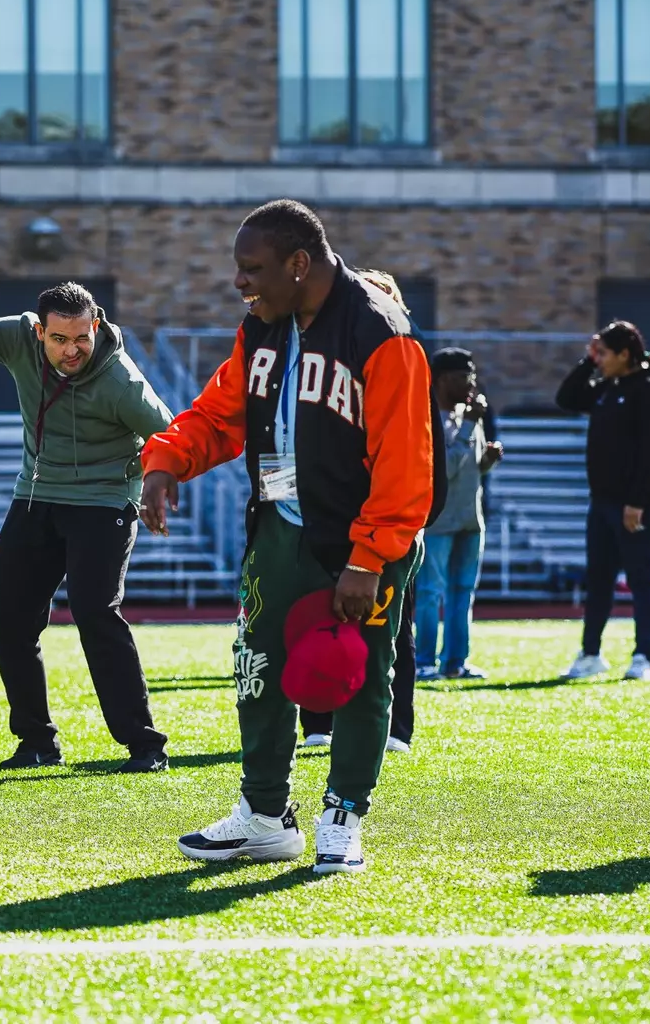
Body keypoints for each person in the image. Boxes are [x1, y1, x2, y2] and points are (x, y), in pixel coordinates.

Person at [142, 200, 433, 874]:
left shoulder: (381, 332)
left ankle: (344, 814)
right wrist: (166, 461)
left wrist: (368, 559)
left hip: (361, 541)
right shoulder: (262, 330)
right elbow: (220, 414)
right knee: (257, 665)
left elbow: (406, 463)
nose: (242, 283)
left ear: (299, 264)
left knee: (358, 677)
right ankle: (266, 815)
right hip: (281, 524)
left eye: (253, 270)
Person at [0, 279, 175, 774]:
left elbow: (167, 433)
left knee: (94, 613)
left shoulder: (120, 382)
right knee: (7, 617)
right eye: (60, 340)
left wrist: (152, 486)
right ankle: (37, 741)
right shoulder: (20, 337)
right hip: (35, 496)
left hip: (103, 502)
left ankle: (145, 744)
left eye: (82, 338)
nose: (72, 350)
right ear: (40, 332)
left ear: (97, 327)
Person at [296, 270, 444, 755]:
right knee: (318, 621)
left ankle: (395, 727)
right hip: (328, 517)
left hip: (389, 528)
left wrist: (414, 523)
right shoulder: (324, 359)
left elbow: (426, 455)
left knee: (393, 631)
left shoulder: (404, 356)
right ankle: (317, 720)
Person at [557, 322, 650, 682]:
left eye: (605, 354)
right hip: (604, 501)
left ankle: (644, 657)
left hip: (638, 504)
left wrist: (636, 503)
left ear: (625, 354)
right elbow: (567, 399)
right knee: (599, 578)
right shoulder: (608, 388)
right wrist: (588, 361)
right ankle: (591, 653)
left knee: (642, 578)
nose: (601, 360)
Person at [414, 347, 504, 680]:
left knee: (462, 591)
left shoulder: (469, 415)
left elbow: (470, 468)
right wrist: (468, 427)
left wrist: (487, 462)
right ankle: (424, 661)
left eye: (473, 378)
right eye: (463, 379)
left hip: (470, 517)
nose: (470, 386)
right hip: (438, 520)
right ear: (440, 381)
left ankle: (456, 661)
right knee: (429, 592)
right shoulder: (426, 417)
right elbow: (443, 470)